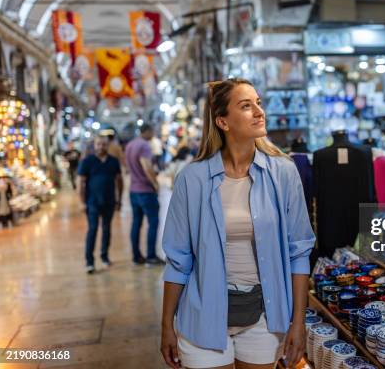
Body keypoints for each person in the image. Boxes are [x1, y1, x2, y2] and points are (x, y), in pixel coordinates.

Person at [160, 79, 315, 369]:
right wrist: (166, 325)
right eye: (246, 106)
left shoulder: (283, 173)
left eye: (258, 102)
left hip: (264, 317)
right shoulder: (192, 179)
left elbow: (299, 253)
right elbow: (178, 260)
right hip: (203, 315)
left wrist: (298, 322)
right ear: (223, 121)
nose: (259, 111)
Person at [77, 136, 123, 274]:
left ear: (107, 146)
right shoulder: (87, 161)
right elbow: (80, 183)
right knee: (93, 230)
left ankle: (104, 256)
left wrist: (119, 199)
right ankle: (89, 262)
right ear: (94, 145)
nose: (101, 147)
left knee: (107, 229)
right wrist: (81, 202)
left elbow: (119, 181)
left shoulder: (113, 162)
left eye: (104, 144)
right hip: (92, 202)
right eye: (98, 144)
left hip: (109, 202)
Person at [125, 123, 162, 266]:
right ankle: (151, 257)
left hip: (133, 190)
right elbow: (147, 166)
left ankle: (136, 256)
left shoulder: (130, 145)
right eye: (152, 131)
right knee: (153, 222)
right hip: (145, 190)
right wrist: (155, 184)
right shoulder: (144, 145)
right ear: (147, 131)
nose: (153, 134)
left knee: (136, 223)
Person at [157, 146, 192, 261]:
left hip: (174, 194)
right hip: (186, 195)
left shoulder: (174, 163)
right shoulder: (188, 163)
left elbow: (166, 174)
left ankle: (172, 251)